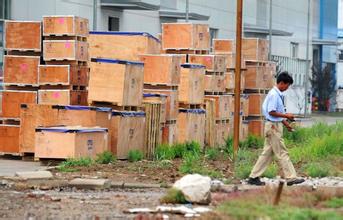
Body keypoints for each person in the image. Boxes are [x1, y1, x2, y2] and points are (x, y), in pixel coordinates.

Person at [247, 72, 305, 186]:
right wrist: (286, 116)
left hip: (273, 125)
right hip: (273, 127)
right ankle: (291, 177)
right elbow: (271, 111)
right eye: (287, 86)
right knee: (282, 152)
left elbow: (275, 115)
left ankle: (253, 177)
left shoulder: (276, 94)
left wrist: (286, 123)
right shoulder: (274, 95)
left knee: (267, 153)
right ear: (282, 83)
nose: (287, 88)